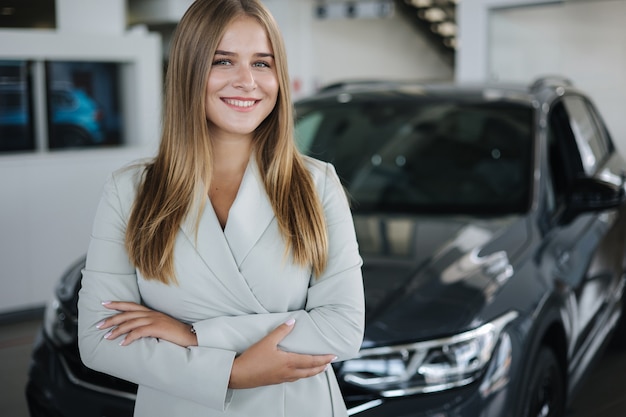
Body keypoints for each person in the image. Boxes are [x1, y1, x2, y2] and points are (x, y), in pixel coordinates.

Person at [76, 0, 365, 416]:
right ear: (189, 71)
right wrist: (234, 375)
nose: (247, 81)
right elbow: (100, 340)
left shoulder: (317, 184)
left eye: (263, 64)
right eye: (223, 61)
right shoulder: (131, 190)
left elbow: (343, 327)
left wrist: (192, 335)